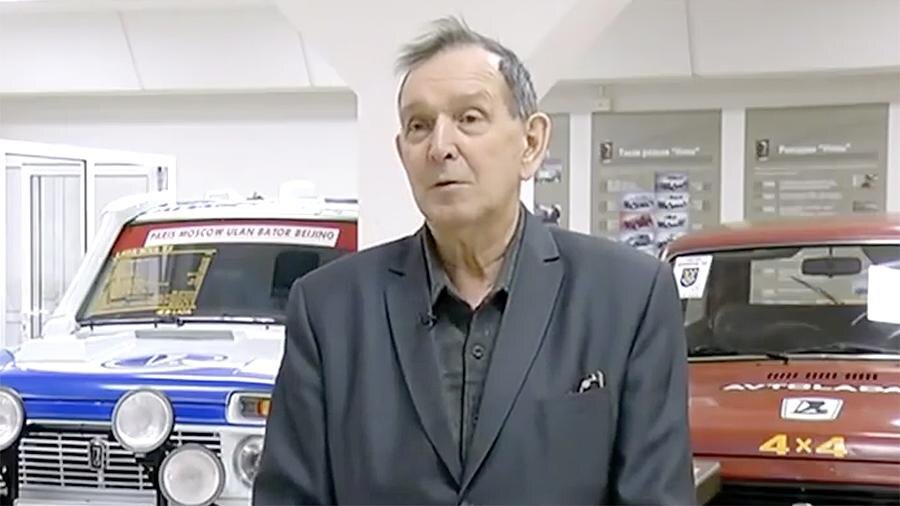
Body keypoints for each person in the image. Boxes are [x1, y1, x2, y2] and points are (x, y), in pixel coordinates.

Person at [253, 16, 695, 505]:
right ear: (402, 153)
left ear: (531, 143)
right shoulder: (329, 308)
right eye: (419, 126)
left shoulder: (628, 297)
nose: (441, 147)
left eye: (469, 118)